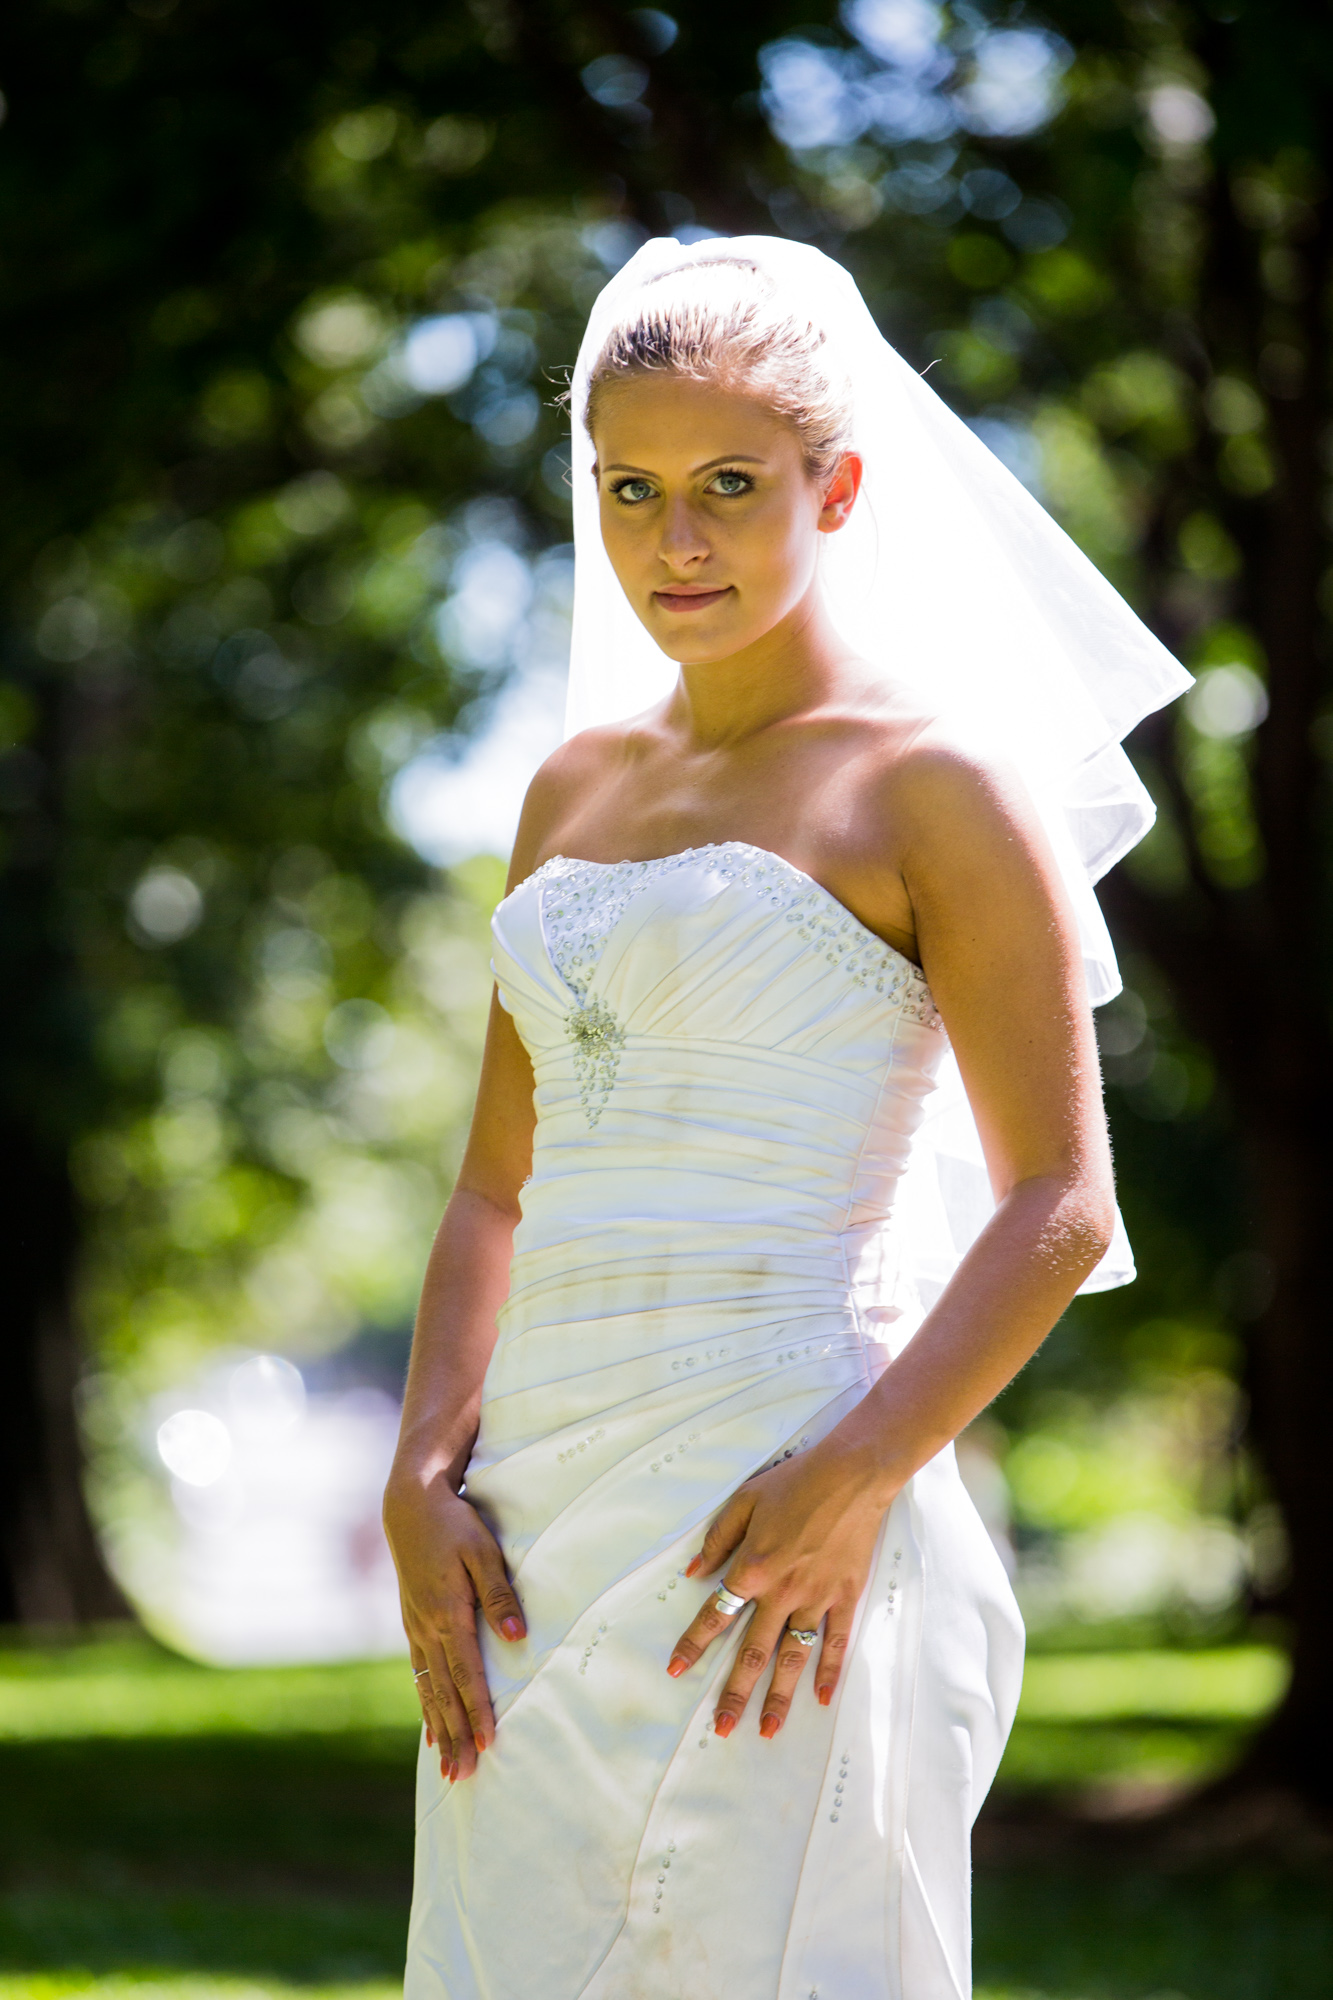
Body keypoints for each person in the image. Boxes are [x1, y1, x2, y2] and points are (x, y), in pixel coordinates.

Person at [385, 238, 1189, 2000]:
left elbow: (1057, 1199)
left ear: (835, 487)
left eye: (729, 486)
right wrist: (420, 1473)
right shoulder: (569, 788)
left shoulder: (933, 783)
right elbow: (495, 1189)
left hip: (789, 1480)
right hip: (529, 1518)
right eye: (631, 490)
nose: (675, 539)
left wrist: (857, 1475)